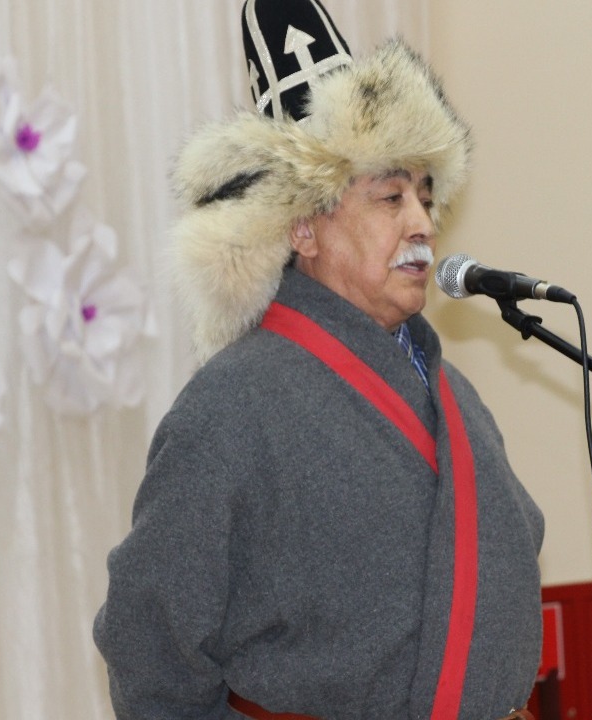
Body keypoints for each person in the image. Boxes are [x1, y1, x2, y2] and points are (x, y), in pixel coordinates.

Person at [92, 2, 545, 718]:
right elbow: (149, 646)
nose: (422, 223)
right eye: (390, 196)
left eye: (426, 196)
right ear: (303, 228)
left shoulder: (456, 395)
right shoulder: (229, 405)